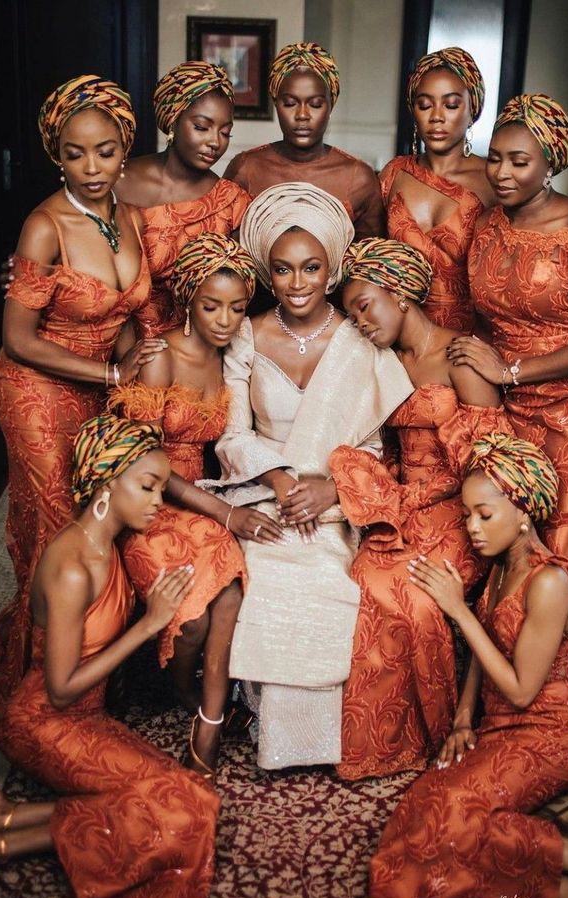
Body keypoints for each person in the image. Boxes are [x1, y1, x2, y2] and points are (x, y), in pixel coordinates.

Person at [370, 433, 568, 898]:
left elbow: (520, 689)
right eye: (468, 513)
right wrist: (465, 718)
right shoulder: (499, 568)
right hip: (498, 727)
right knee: (425, 807)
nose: (472, 527)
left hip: (552, 733)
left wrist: (458, 611)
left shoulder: (549, 582)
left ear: (525, 510)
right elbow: (488, 649)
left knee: (460, 820)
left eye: (484, 514)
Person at [0, 415, 219, 898]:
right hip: (42, 721)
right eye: (148, 486)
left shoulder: (108, 543)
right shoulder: (72, 567)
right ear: (107, 483)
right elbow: (62, 688)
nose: (159, 500)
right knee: (182, 813)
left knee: (191, 797)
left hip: (85, 718)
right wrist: (148, 625)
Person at [203, 184, 414, 769]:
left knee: (333, 577)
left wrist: (333, 491)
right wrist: (277, 483)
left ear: (332, 268)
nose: (298, 282)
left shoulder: (357, 339)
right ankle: (272, 728)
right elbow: (232, 436)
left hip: (334, 497)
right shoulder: (246, 333)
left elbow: (373, 445)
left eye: (312, 268)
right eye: (284, 269)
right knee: (267, 571)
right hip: (263, 490)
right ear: (268, 273)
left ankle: (321, 738)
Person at [0, 75, 165, 698]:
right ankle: (44, 673)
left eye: (105, 150)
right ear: (56, 154)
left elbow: (129, 315)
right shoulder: (43, 226)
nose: (91, 166)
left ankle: (92, 651)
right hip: (33, 388)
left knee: (100, 519)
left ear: (124, 147)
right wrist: (114, 373)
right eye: (74, 153)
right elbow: (19, 338)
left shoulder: (130, 216)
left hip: (100, 386)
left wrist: (141, 371)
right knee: (59, 526)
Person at [448, 93, 568, 686]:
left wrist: (510, 372)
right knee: (502, 541)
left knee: (558, 548)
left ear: (551, 162)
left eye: (519, 161)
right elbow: (483, 319)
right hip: (508, 410)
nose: (501, 173)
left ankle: (548, 701)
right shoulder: (487, 224)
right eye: (495, 159)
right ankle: (493, 688)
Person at [331, 237, 508, 780]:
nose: (359, 322)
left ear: (401, 294)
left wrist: (432, 502)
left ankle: (430, 732)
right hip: (400, 501)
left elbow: (491, 461)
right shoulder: (379, 361)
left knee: (413, 590)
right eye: (351, 313)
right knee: (362, 578)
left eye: (365, 306)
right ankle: (374, 738)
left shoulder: (461, 356)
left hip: (459, 508)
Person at [110, 233, 280, 778]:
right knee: (191, 621)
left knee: (230, 593)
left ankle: (208, 717)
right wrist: (227, 513)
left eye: (236, 307)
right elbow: (143, 464)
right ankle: (184, 691)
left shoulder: (232, 358)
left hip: (203, 498)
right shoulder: (160, 358)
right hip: (150, 505)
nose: (225, 319)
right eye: (211, 306)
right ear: (187, 301)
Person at [118, 61, 251, 337]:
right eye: (202, 127)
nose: (215, 142)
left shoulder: (231, 202)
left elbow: (238, 288)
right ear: (173, 121)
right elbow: (66, 235)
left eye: (225, 132)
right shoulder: (117, 181)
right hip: (118, 342)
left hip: (195, 347)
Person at [380, 47, 495, 332]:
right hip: (399, 331)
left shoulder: (494, 179)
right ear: (413, 111)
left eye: (451, 105)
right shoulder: (394, 173)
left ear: (473, 110)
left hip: (468, 337)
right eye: (425, 104)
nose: (437, 117)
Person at [224, 43, 383, 240]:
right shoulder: (246, 168)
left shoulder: (359, 178)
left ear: (330, 105)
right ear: (276, 104)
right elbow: (227, 255)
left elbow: (370, 262)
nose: (302, 115)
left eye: (315, 104)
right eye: (290, 103)